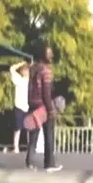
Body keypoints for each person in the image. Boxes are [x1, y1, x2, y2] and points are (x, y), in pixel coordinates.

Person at [26, 43, 63, 172]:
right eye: (48, 53)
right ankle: (49, 163)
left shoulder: (33, 68)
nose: (51, 55)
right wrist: (51, 110)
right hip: (43, 106)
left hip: (32, 104)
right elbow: (46, 93)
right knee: (49, 134)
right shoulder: (46, 71)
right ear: (43, 54)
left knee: (33, 135)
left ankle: (30, 162)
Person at [10, 61, 30, 153]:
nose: (26, 72)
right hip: (19, 106)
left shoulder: (31, 81)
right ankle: (16, 147)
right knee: (17, 128)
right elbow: (12, 69)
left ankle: (30, 147)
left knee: (30, 128)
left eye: (27, 70)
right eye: (24, 70)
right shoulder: (19, 80)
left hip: (28, 107)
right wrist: (21, 63)